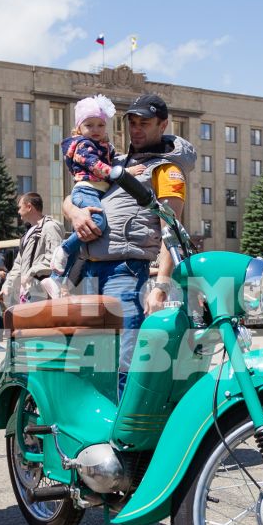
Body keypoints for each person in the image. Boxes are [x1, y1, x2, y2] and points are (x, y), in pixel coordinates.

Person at [62, 92, 194, 377]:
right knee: (91, 360)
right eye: (131, 122)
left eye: (144, 123)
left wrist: (160, 287)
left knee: (124, 358)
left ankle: (126, 420)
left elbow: (169, 228)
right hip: (89, 269)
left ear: (163, 125)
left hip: (125, 270)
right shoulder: (115, 162)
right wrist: (75, 213)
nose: (136, 129)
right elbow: (72, 196)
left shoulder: (166, 170)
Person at [55, 95, 119, 285]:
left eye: (100, 125)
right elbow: (95, 166)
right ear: (79, 129)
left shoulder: (103, 147)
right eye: (89, 125)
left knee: (85, 236)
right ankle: (64, 248)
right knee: (97, 222)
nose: (96, 130)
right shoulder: (84, 145)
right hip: (87, 189)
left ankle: (56, 278)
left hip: (95, 190)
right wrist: (122, 173)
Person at [3, 191, 65, 306]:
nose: (18, 211)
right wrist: (7, 285)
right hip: (28, 293)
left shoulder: (50, 227)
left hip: (43, 292)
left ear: (29, 207)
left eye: (20, 207)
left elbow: (55, 260)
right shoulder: (27, 233)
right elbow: (18, 264)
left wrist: (30, 273)